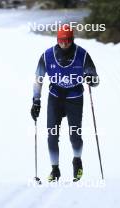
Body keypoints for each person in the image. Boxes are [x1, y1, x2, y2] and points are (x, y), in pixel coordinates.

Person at [31, 24, 99, 182]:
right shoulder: (47, 55)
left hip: (75, 97)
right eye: (61, 40)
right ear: (57, 39)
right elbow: (38, 79)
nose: (64, 43)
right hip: (55, 97)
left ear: (72, 39)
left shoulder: (82, 55)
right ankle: (55, 170)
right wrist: (36, 100)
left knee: (75, 135)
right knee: (52, 135)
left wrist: (91, 79)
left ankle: (77, 161)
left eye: (67, 40)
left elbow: (96, 80)